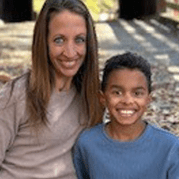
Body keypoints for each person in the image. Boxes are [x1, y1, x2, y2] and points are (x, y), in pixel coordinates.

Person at [0, 0, 102, 178]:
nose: (70, 52)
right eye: (59, 40)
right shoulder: (18, 95)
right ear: (44, 43)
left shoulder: (91, 97)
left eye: (79, 40)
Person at [73, 52, 179, 179]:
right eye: (117, 92)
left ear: (148, 99)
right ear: (102, 97)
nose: (127, 101)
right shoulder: (86, 144)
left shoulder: (170, 147)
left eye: (137, 93)